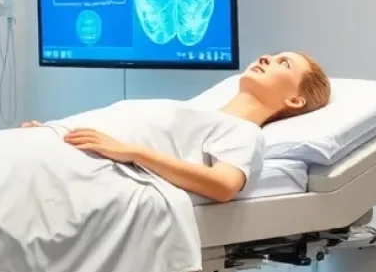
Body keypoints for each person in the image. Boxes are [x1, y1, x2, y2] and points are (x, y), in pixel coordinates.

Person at [22, 52, 331, 203]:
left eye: (283, 63)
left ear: (295, 100)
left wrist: (132, 152)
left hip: (79, 168)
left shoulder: (244, 131)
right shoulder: (196, 111)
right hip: (49, 144)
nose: (266, 57)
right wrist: (53, 130)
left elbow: (222, 186)